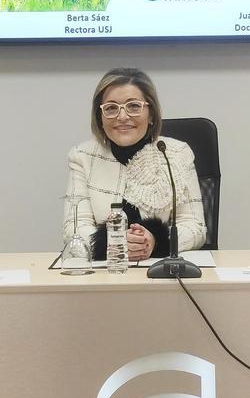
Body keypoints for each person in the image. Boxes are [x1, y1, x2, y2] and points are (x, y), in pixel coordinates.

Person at [64, 68, 206, 261]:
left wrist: (155, 240)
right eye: (111, 108)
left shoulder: (177, 154)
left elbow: (194, 226)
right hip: (104, 271)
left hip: (163, 271)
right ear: (100, 118)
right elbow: (74, 227)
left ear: (152, 114)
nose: (122, 117)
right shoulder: (82, 157)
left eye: (133, 106)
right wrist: (116, 243)